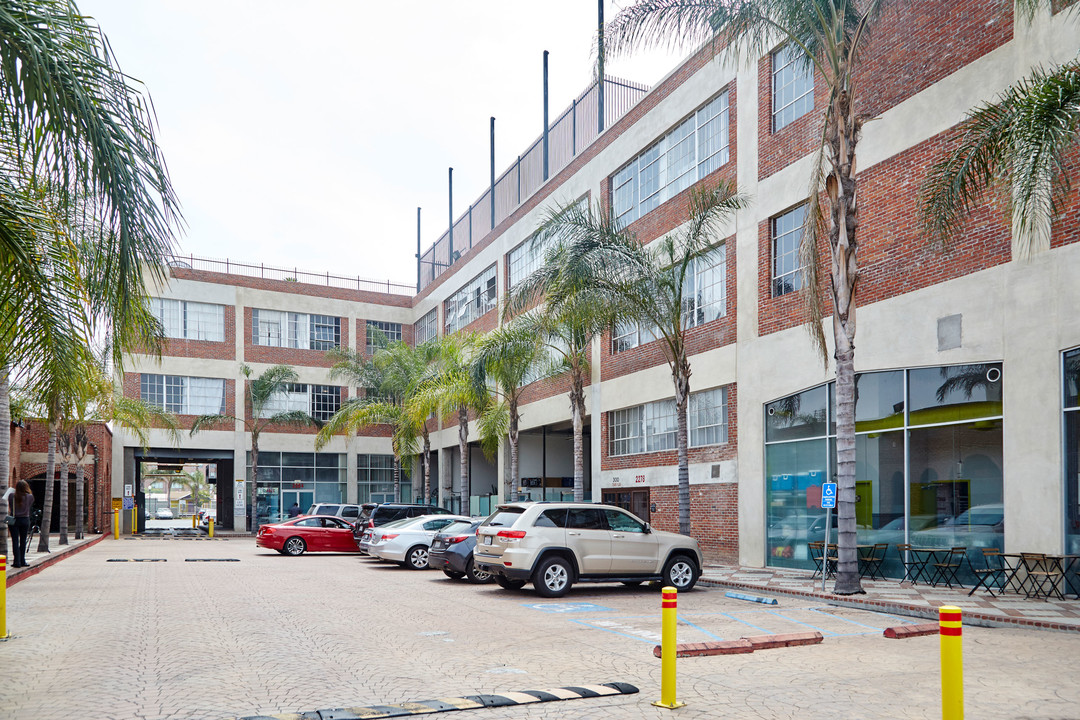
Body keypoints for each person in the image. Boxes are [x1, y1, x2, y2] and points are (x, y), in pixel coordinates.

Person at [8, 480, 34, 568]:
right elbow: (29, 506)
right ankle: (23, 560)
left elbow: (10, 505)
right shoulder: (30, 497)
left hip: (14, 520)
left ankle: (17, 561)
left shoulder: (11, 496)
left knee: (15, 541)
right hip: (25, 519)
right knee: (23, 541)